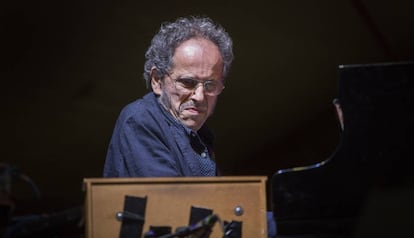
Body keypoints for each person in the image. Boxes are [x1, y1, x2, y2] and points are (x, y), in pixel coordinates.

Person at [103, 16, 233, 177]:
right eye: (188, 82)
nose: (199, 97)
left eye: (210, 85)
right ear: (157, 80)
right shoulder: (139, 120)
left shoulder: (201, 135)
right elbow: (170, 199)